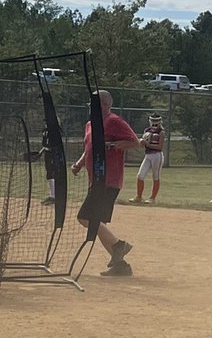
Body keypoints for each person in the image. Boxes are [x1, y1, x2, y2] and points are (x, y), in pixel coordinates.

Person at [70, 89, 140, 277]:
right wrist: (79, 164)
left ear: (106, 105)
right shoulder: (90, 124)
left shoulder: (114, 121)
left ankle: (119, 245)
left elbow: (134, 142)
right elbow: (89, 148)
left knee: (85, 217)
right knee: (95, 220)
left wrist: (116, 145)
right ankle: (121, 266)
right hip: (96, 179)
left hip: (109, 179)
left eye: (95, 104)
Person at [130, 113, 167, 204]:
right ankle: (139, 196)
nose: (154, 122)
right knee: (140, 175)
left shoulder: (161, 131)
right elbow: (143, 144)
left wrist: (147, 144)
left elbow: (160, 147)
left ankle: (152, 198)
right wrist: (141, 142)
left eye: (156, 120)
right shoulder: (147, 130)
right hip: (148, 155)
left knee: (156, 176)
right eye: (153, 120)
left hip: (157, 156)